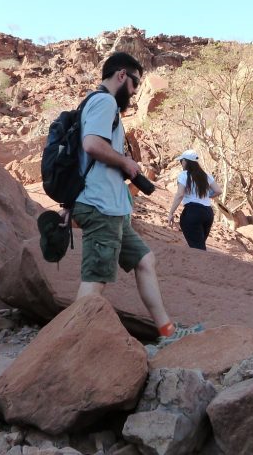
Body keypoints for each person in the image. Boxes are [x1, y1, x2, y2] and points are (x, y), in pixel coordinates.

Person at [71, 51, 202, 345]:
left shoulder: (99, 105)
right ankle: (68, 346)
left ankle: (167, 332)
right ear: (121, 76)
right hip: (100, 205)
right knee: (95, 280)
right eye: (134, 84)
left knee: (145, 260)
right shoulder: (104, 101)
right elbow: (92, 145)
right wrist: (127, 164)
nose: (133, 92)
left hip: (112, 209)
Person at [165, 150, 222, 250]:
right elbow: (218, 191)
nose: (181, 163)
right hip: (208, 213)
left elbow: (180, 194)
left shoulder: (183, 175)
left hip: (192, 212)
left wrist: (171, 213)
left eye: (181, 161)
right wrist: (205, 196)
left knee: (197, 248)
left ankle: (204, 265)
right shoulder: (206, 175)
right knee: (199, 244)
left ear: (185, 161)